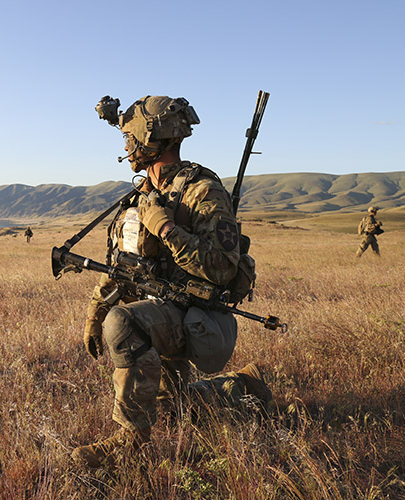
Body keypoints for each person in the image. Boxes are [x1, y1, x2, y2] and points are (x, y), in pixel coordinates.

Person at [71, 96, 272, 468]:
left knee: (124, 321)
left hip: (192, 315)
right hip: (158, 311)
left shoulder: (202, 192)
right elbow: (123, 263)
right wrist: (94, 312)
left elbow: (222, 268)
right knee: (173, 409)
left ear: (155, 142)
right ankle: (244, 384)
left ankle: (130, 444)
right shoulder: (145, 192)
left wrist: (164, 228)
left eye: (131, 140)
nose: (127, 148)